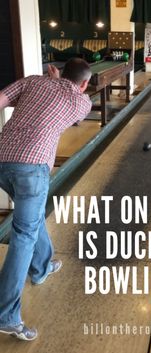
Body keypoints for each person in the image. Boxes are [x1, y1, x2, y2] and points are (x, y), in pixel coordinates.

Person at [0, 58, 92, 341]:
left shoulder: (31, 81)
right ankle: (6, 316)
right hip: (32, 168)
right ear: (85, 83)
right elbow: (69, 106)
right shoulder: (82, 103)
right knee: (24, 234)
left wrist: (49, 81)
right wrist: (57, 83)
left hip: (2, 159)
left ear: (60, 72)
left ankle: (41, 268)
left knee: (33, 218)